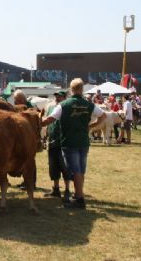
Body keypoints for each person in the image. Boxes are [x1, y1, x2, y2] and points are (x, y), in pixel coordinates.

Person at [42, 78, 106, 209]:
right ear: (82, 89)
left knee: (75, 171)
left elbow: (50, 119)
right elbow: (103, 116)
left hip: (70, 142)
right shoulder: (89, 104)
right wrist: (92, 126)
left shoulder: (64, 105)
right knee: (81, 170)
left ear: (71, 90)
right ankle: (78, 195)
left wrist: (38, 122)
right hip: (83, 142)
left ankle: (79, 199)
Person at [44, 91, 72, 203]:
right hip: (52, 141)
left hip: (63, 141)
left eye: (60, 97)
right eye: (56, 96)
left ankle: (67, 190)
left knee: (65, 167)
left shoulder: (67, 109)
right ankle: (56, 189)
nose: (57, 98)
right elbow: (49, 123)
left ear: (65, 98)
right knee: (53, 166)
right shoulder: (51, 108)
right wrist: (45, 136)